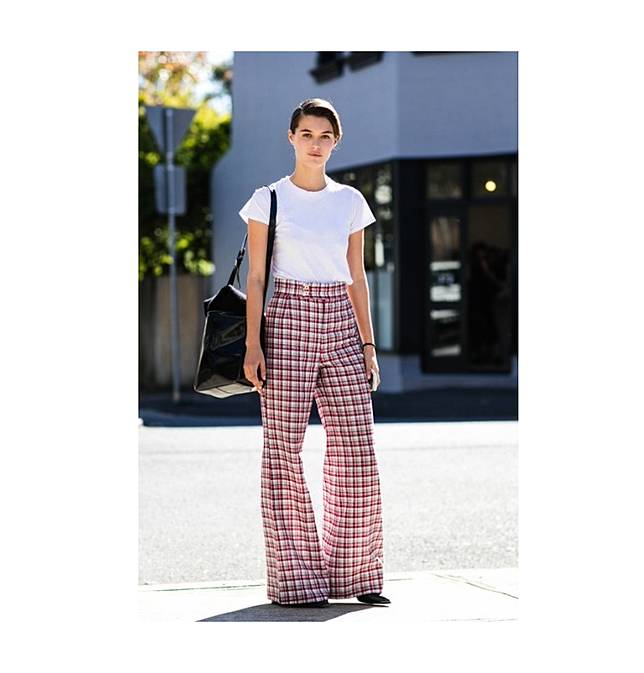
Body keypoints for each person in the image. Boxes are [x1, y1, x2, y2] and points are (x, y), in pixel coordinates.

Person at [238, 98, 390, 608]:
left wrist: (368, 344)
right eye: (306, 134)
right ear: (291, 138)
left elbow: (357, 276)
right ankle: (298, 582)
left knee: (356, 449)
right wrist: (253, 343)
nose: (315, 144)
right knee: (284, 451)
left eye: (325, 136)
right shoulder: (268, 199)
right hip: (287, 319)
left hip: (341, 321)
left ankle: (356, 575)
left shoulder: (350, 201)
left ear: (336, 141)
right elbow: (256, 277)